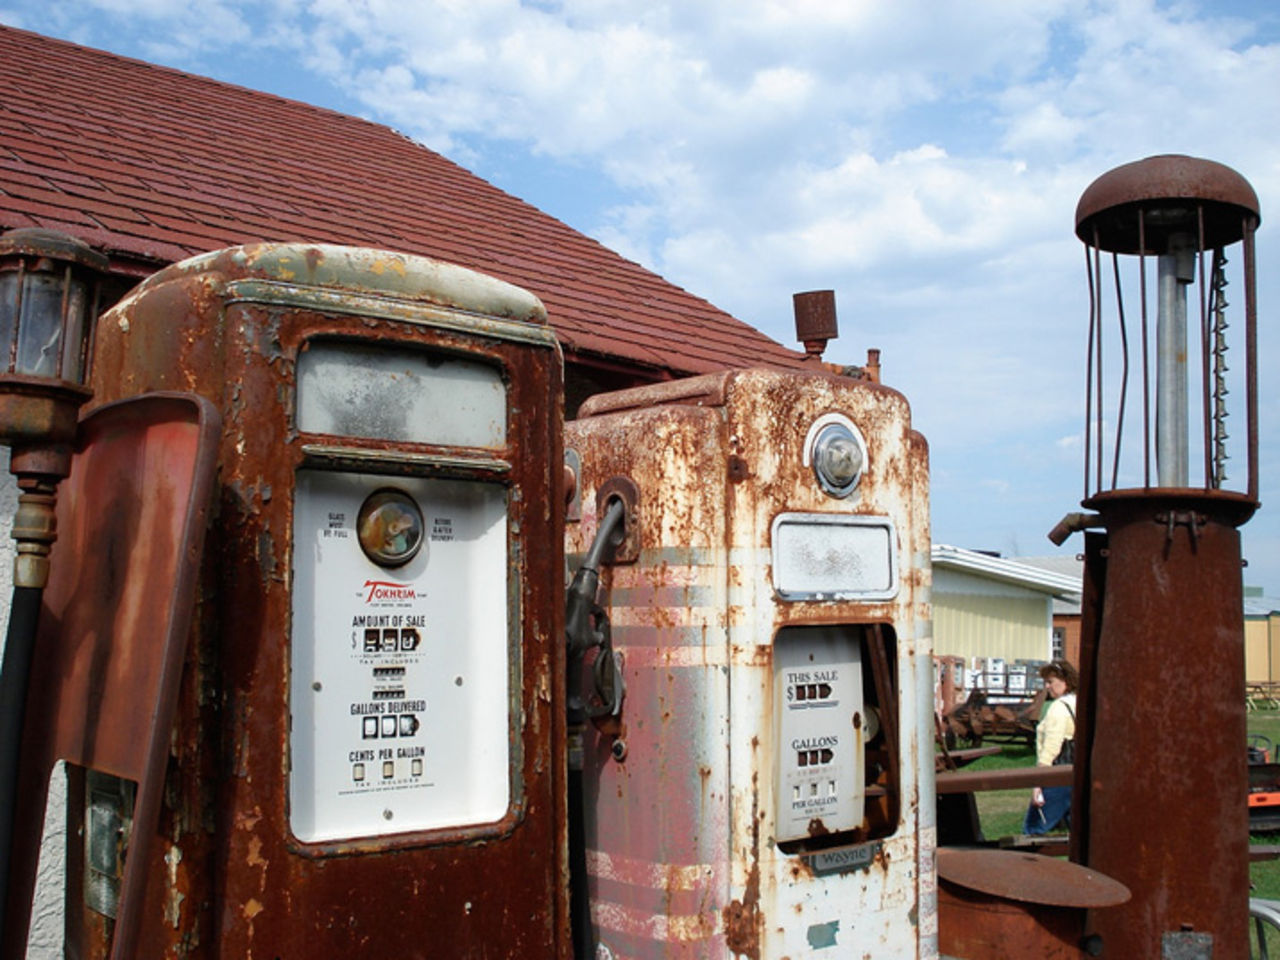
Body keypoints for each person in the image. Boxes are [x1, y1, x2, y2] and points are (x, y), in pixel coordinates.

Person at [1024, 658, 1078, 835]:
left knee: (1033, 830)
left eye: (1050, 682)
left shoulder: (1058, 708)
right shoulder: (1078, 703)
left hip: (1057, 776)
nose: (1047, 687)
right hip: (1075, 775)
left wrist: (1038, 784)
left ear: (1066, 681)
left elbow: (1051, 749)